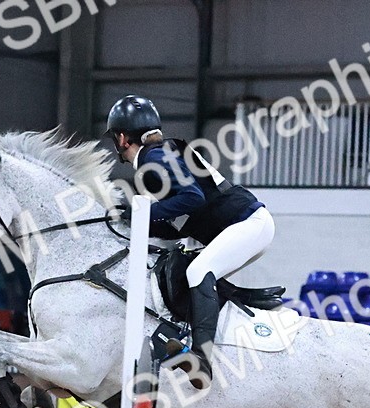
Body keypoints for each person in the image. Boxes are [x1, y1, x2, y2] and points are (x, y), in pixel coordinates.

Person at [106, 94, 275, 388]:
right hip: (238, 226)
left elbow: (192, 198)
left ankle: (202, 358)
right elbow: (180, 225)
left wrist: (141, 214)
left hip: (248, 224)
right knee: (186, 263)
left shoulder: (153, 158)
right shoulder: (160, 155)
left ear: (121, 139)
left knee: (198, 271)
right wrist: (137, 226)